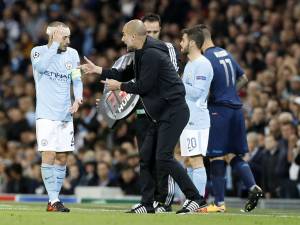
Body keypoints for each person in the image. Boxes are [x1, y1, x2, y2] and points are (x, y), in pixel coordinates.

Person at [83, 19, 207, 214]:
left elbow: (143, 87)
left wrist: (119, 87)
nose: (122, 39)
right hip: (161, 113)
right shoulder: (141, 51)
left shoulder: (150, 54)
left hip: (173, 111)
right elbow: (124, 73)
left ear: (133, 36)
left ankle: (196, 198)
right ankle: (147, 204)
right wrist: (98, 70)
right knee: (146, 157)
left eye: (124, 35)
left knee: (164, 157)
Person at [197, 25, 263, 213]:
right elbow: (244, 78)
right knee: (233, 154)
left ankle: (219, 204)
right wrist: (230, 91)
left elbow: (205, 89)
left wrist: (216, 96)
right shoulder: (224, 53)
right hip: (236, 110)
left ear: (199, 42)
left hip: (219, 111)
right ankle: (253, 187)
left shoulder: (206, 59)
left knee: (216, 155)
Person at [30, 21, 83, 212]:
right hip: (45, 114)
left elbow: (76, 79)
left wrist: (78, 98)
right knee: (49, 154)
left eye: (68, 37)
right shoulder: (38, 51)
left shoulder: (73, 54)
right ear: (54, 35)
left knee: (62, 158)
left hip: (65, 114)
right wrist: (54, 44)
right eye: (64, 37)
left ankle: (54, 199)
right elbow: (42, 68)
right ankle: (53, 200)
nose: (68, 41)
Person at [179, 26, 213, 199]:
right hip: (187, 118)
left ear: (192, 43)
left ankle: (198, 200)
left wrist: (176, 83)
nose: (180, 43)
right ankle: (191, 199)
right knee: (189, 162)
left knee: (196, 159)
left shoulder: (203, 64)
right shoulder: (190, 64)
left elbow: (198, 93)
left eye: (183, 40)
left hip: (197, 120)